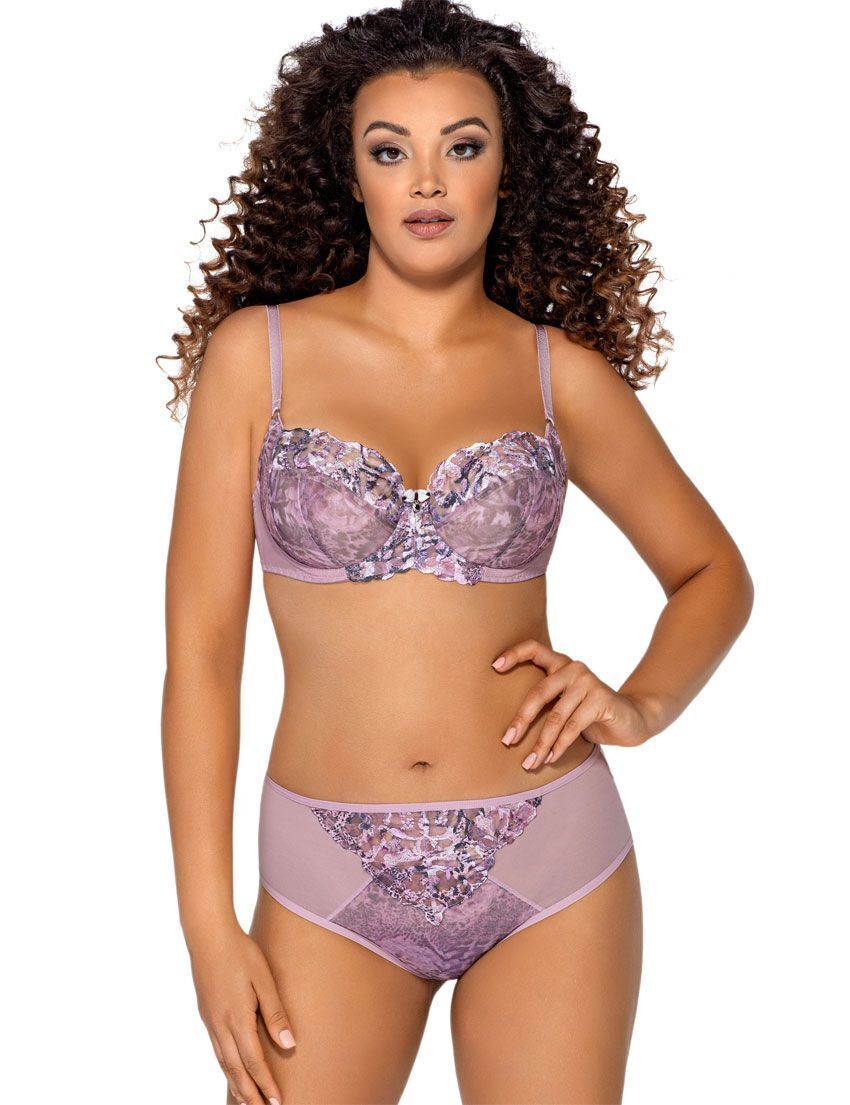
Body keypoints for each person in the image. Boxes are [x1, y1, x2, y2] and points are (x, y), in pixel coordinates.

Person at [159, 2, 754, 1102]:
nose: (427, 181)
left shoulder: (557, 375)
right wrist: (207, 926)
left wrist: (640, 704)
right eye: (391, 150)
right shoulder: (258, 358)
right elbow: (201, 654)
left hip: (552, 856)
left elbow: (712, 572)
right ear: (349, 173)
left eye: (462, 147)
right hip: (325, 874)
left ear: (506, 170)